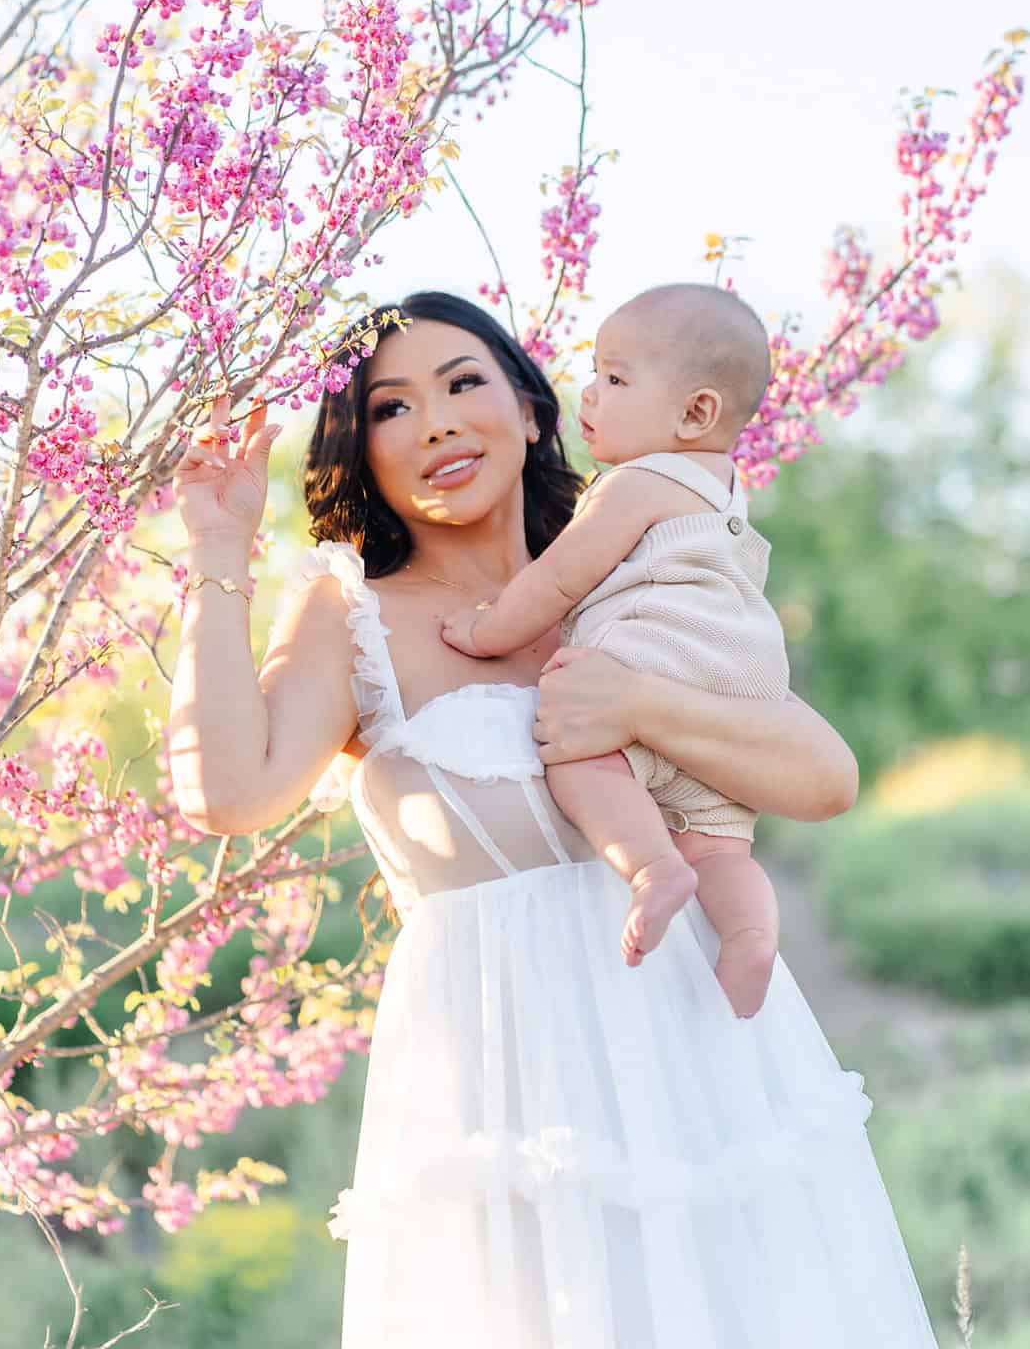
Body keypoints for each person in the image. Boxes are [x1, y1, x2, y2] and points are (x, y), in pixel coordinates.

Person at [170, 290, 939, 1348]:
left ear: (533, 412)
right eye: (391, 407)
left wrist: (635, 704)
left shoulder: (635, 578)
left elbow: (823, 774)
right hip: (513, 1099)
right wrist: (218, 548)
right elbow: (229, 791)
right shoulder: (351, 614)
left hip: (706, 1067)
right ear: (365, 451)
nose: (435, 421)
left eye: (462, 383)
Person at [440, 284, 788, 1020]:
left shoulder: (638, 481)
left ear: (695, 413)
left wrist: (486, 630)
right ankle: (752, 937)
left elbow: (561, 577)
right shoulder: (722, 490)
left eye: (616, 380)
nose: (589, 393)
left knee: (579, 757)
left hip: (659, 661)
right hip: (740, 687)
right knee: (722, 848)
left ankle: (653, 870)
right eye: (596, 373)